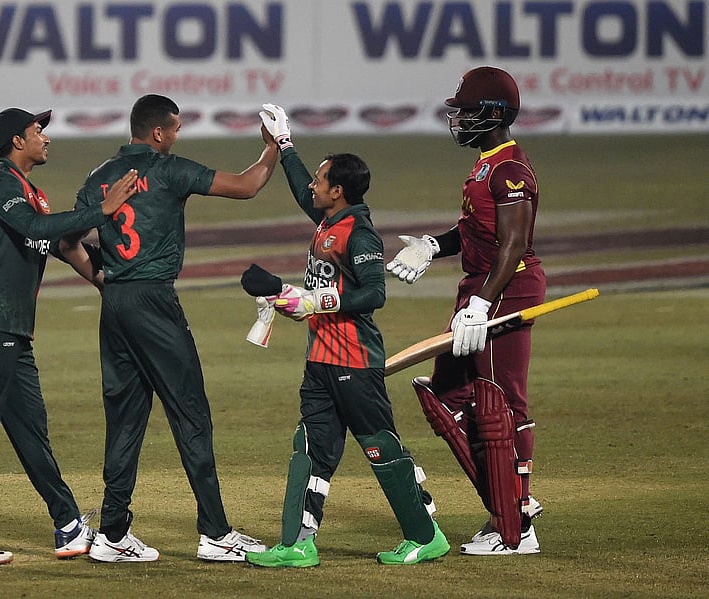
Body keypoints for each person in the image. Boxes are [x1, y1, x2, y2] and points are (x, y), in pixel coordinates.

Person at [58, 94, 277, 562]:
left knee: (125, 420)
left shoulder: (98, 177)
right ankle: (216, 534)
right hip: (154, 301)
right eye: (175, 129)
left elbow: (66, 241)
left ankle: (112, 534)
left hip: (116, 304)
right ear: (158, 132)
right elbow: (246, 186)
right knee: (191, 413)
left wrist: (100, 279)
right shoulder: (169, 169)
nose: (177, 136)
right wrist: (274, 146)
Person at [244, 104, 450, 568]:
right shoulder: (327, 220)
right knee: (311, 447)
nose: (312, 185)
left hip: (355, 361)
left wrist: (316, 301)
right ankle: (297, 544)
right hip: (321, 359)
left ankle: (425, 534)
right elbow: (300, 188)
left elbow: (375, 294)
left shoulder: (359, 234)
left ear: (337, 191)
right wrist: (285, 143)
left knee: (380, 446)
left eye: (320, 180)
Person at [0, 108, 139, 566]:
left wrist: (108, 278)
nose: (45, 137)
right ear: (15, 141)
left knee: (30, 430)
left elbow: (59, 243)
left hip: (11, 328)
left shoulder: (33, 195)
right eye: (37, 131)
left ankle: (67, 524)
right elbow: (34, 229)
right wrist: (99, 210)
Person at [385, 66, 546, 555]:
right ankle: (509, 502)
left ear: (493, 114)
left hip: (506, 291)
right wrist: (433, 245)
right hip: (479, 288)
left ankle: (515, 527)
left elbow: (514, 244)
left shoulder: (511, 170)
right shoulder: (484, 166)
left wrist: (481, 303)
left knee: (500, 402)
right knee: (449, 398)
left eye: (467, 110)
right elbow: (477, 233)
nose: (459, 118)